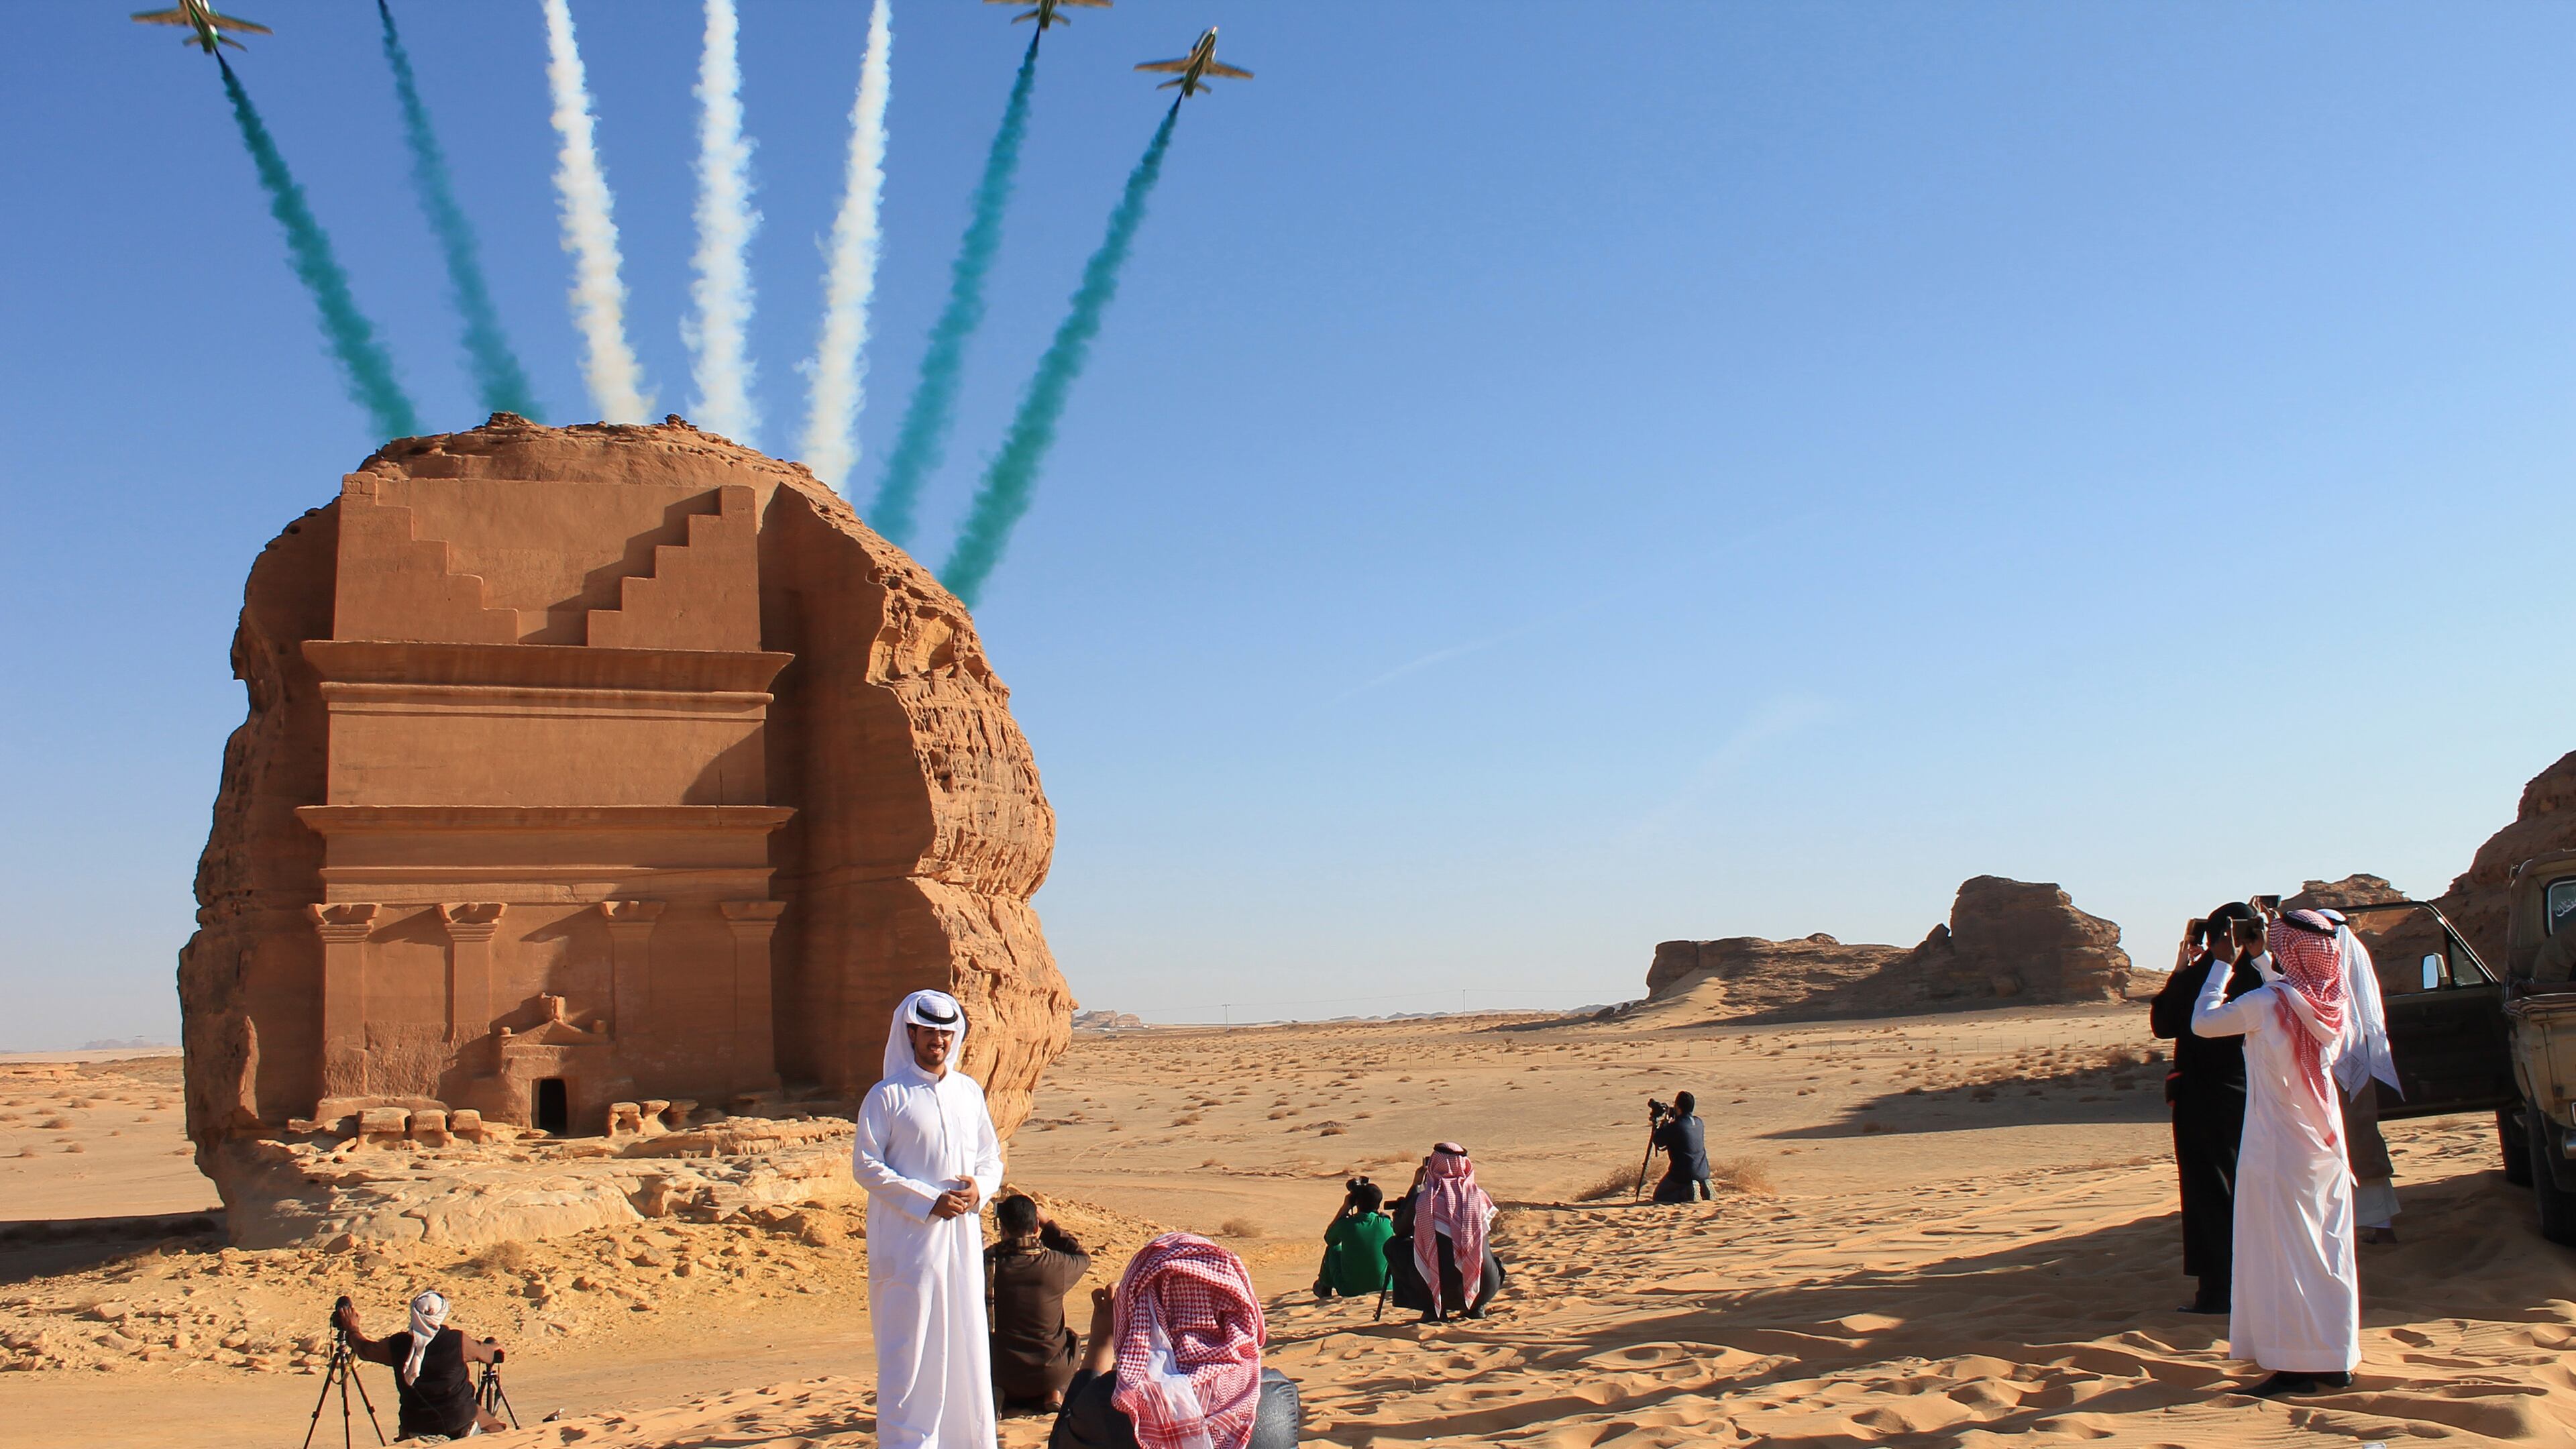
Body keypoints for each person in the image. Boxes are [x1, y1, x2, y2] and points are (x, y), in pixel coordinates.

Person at [2191, 908, 2362, 1397]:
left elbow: (2204, 1024)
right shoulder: (2331, 1002)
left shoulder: (2268, 1002)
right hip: (2324, 1144)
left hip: (2279, 1146)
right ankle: (2335, 1358)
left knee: (2285, 1253)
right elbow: (2293, 995)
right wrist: (2264, 958)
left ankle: (2294, 1366)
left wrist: (2221, 965)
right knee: (2327, 1251)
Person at [853, 989, 1008, 1449]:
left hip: (961, 1241)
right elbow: (867, 1166)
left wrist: (981, 1187)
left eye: (945, 1032)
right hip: (908, 1247)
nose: (937, 1040)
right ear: (911, 1034)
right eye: (928, 1032)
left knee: (964, 1343)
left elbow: (990, 1156)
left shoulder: (967, 1091)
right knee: (910, 1352)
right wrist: (928, 1199)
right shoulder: (887, 1096)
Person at [1048, 1232, 1302, 1449]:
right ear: (1237, 1305)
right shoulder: (1274, 1393)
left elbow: (1060, 1442)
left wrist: (1099, 1345)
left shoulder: (1110, 1401)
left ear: (1137, 1311)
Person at [2149, 903, 2262, 1314]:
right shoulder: (2265, 975)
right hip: (2257, 1094)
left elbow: (2163, 1023)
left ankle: (2218, 1292)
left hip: (2203, 1099)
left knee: (2209, 1192)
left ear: (2213, 938)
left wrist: (2181, 970)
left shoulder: (2204, 977)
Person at [2320, 908, 2404, 1243]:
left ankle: (2378, 1225)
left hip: (2352, 1058)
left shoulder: (2344, 951)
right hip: (2336, 1059)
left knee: (2361, 1139)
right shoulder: (2343, 950)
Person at [332, 1291, 504, 1442]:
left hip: (418, 1422)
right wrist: (493, 1346)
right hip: (459, 1417)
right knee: (495, 1428)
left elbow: (365, 1350)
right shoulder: (457, 1341)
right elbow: (488, 1355)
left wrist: (352, 1329)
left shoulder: (398, 1344)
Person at [988, 1193, 1091, 1410]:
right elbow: (1082, 1257)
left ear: (1003, 1229)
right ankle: (1055, 1391)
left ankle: (999, 1394)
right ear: (1036, 1227)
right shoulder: (1056, 1265)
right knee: (1071, 1339)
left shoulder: (988, 1264)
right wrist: (1049, 1225)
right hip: (1049, 1372)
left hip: (1001, 1372)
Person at [1404, 1143, 1504, 1323]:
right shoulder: (1480, 1197)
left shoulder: (1424, 1201)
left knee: (1397, 1247)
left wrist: (1415, 1187)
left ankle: (1432, 1310)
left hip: (1441, 1290)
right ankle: (1477, 1308)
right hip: (1484, 1287)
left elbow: (1400, 1230)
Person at [1313, 1177, 1393, 1299]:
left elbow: (1329, 1239)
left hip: (1349, 1290)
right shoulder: (1386, 1224)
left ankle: (1325, 1287)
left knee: (1333, 1248)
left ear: (1356, 1202)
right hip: (1385, 1287)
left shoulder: (1346, 1224)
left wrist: (1345, 1208)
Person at [1650, 1093, 1712, 1203]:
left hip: (1683, 1173)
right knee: (1691, 1180)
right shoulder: (1699, 1122)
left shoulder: (1675, 1126)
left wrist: (1663, 1124)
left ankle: (1687, 1192)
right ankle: (1703, 1187)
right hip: (1703, 1171)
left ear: (1678, 1107)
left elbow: (1658, 1141)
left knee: (1659, 1196)